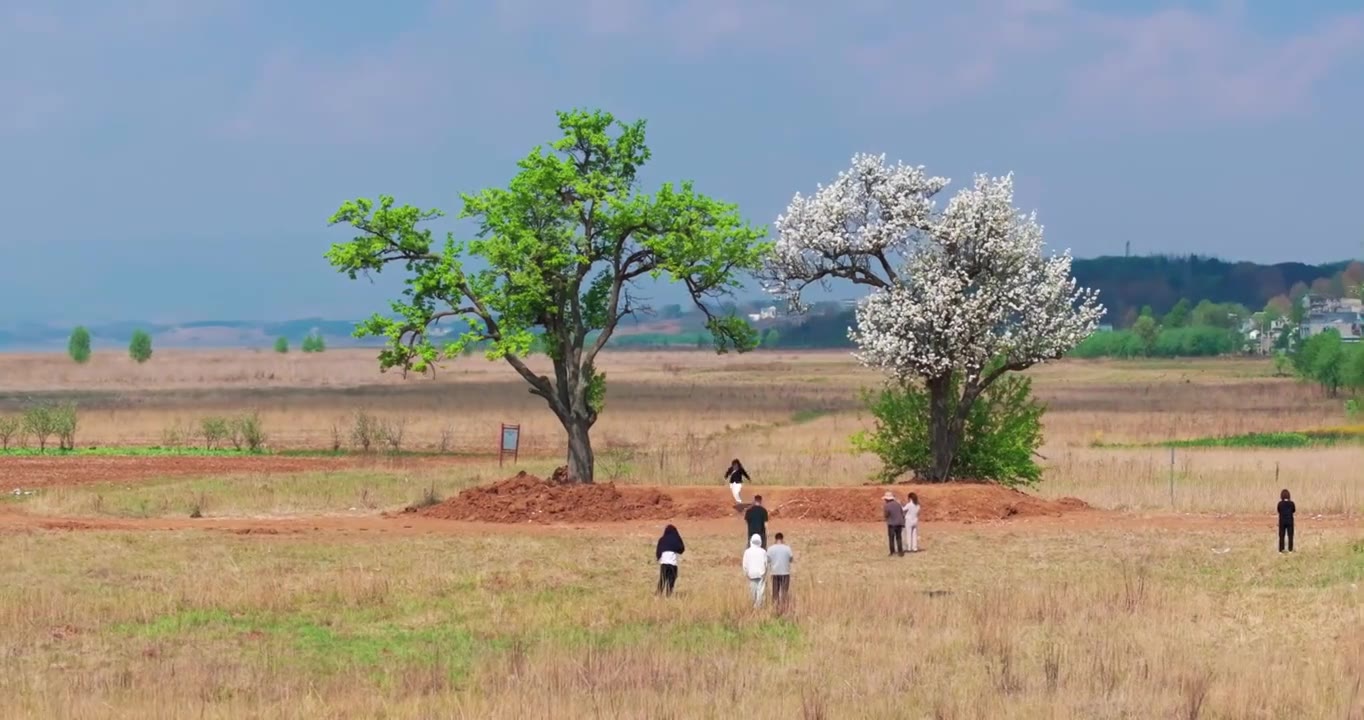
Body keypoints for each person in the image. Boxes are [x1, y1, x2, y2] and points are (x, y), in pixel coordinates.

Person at [655, 524, 685, 596]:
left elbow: (658, 551)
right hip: (673, 564)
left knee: (662, 580)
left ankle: (658, 595)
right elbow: (681, 549)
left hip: (664, 564)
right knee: (671, 581)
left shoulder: (662, 540)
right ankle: (668, 595)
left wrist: (658, 557)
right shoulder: (676, 539)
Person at [768, 532, 793, 610]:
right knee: (784, 591)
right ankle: (784, 607)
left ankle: (775, 607)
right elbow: (791, 559)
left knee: (775, 592)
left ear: (775, 539)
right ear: (782, 539)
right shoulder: (787, 548)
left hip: (775, 572)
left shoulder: (770, 548)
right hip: (785, 572)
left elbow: (768, 559)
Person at [742, 533, 768, 608]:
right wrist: (765, 572)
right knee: (760, 592)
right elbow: (766, 563)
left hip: (751, 574)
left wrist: (746, 573)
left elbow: (745, 564)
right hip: (761, 574)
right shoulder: (763, 551)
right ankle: (759, 607)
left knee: (752, 592)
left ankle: (753, 606)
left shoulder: (747, 552)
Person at [883, 491, 905, 556]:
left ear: (887, 499)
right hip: (899, 523)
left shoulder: (887, 506)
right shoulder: (898, 504)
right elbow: (902, 513)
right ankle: (900, 552)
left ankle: (892, 552)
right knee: (899, 538)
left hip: (892, 524)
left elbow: (886, 515)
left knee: (891, 538)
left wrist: (886, 518)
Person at [1278, 489, 1296, 553]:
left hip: (1282, 521)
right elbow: (1294, 510)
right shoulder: (1291, 503)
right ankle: (1290, 549)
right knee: (1290, 535)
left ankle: (1281, 549)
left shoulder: (1280, 503)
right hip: (1290, 521)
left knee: (1281, 535)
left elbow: (1279, 510)